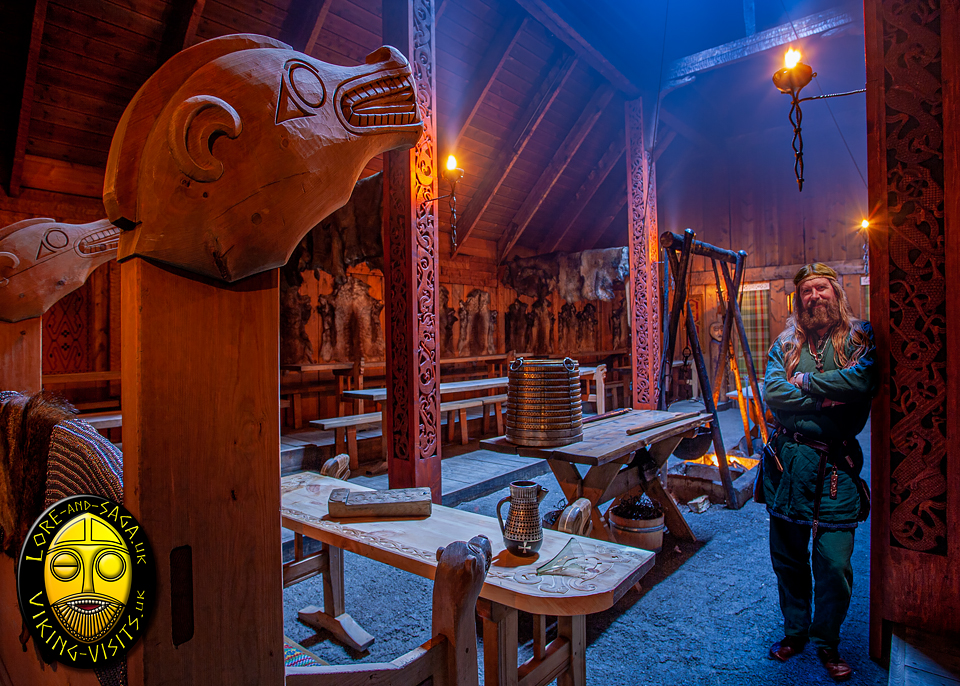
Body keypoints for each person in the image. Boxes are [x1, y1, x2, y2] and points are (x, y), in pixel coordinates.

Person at [761, 263, 876, 681]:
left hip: (836, 468)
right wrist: (827, 399)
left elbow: (862, 383)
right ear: (799, 299)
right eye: (807, 291)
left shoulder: (859, 337)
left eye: (821, 289)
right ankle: (795, 633)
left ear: (836, 292)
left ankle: (827, 641)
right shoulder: (786, 343)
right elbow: (773, 392)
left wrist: (805, 386)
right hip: (788, 464)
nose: (814, 297)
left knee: (833, 563)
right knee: (787, 558)